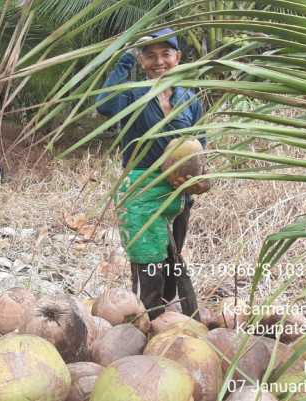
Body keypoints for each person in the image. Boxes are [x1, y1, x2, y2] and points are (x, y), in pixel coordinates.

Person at [96, 28, 206, 320]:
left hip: (178, 191)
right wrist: (125, 58)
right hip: (141, 191)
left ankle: (165, 311)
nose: (159, 62)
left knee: (171, 254)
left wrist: (200, 180)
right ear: (141, 61)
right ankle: (148, 317)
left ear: (178, 57)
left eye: (166, 54)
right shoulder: (132, 94)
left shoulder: (191, 99)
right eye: (150, 56)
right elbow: (104, 105)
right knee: (147, 257)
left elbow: (200, 147)